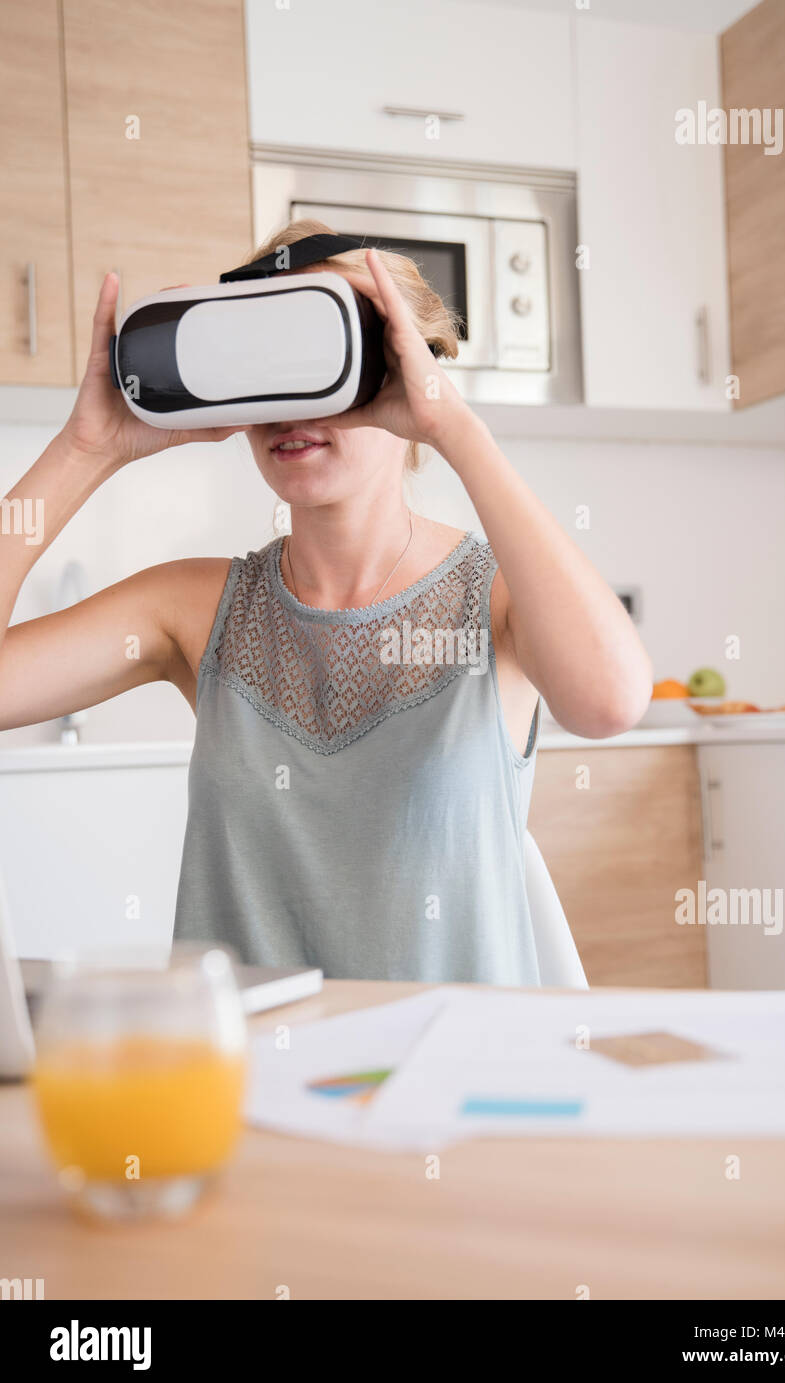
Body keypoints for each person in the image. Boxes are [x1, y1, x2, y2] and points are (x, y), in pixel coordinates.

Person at [0, 220, 652, 983]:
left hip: (457, 1076)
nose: (289, 406)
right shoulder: (193, 609)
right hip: (254, 1086)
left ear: (400, 370)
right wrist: (85, 451)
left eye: (321, 361)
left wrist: (456, 430)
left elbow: (610, 702)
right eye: (262, 370)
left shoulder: (499, 597)